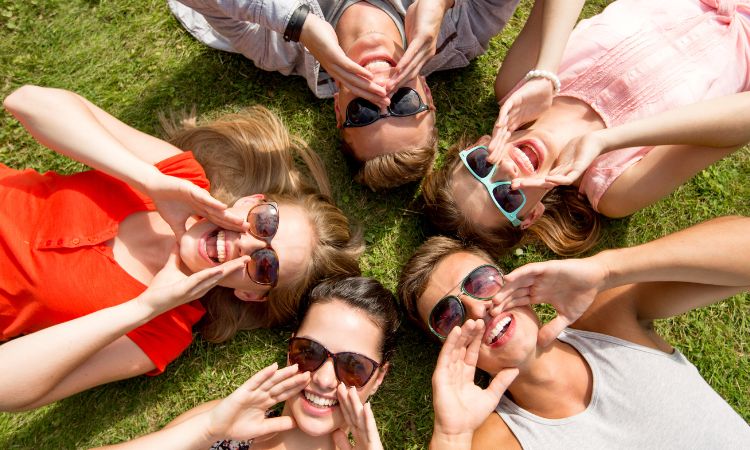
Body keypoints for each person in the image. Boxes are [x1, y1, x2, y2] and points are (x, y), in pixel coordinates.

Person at [0, 85, 362, 411]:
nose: (246, 244)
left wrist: (144, 307)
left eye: (266, 265)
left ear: (250, 294)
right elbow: (27, 102)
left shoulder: (161, 328)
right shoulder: (179, 177)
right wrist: (148, 179)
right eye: (265, 222)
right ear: (250, 200)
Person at [422, 0, 750, 256]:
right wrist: (607, 140)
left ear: (479, 144)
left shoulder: (517, 83)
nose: (506, 169)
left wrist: (546, 72)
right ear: (531, 215)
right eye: (507, 198)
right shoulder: (615, 190)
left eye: (482, 166)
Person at [397, 216, 750, 448]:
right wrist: (451, 435)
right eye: (449, 315)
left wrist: (606, 270)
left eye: (481, 282)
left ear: (511, 278)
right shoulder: (500, 438)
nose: (478, 309)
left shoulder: (609, 318)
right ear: (448, 349)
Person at [167, 0, 585, 190]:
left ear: (336, 107)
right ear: (428, 93)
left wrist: (300, 25)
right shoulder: (462, 33)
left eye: (365, 112)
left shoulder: (279, 47)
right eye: (403, 104)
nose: (382, 89)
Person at [96, 276, 399, 450]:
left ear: (379, 378)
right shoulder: (224, 423)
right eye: (310, 352)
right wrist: (207, 430)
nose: (323, 378)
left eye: (353, 367)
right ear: (290, 349)